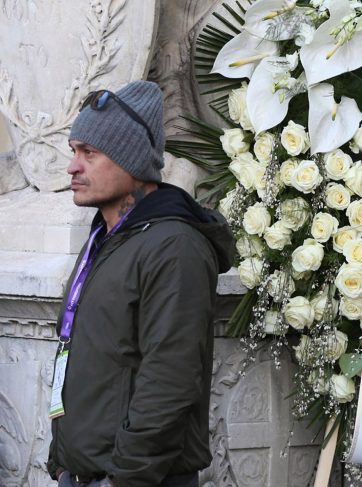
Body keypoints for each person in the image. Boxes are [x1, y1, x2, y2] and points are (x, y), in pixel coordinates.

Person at [46, 81, 235, 487]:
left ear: (130, 160)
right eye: (74, 151)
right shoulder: (107, 239)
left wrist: (124, 479)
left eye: (89, 153)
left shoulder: (174, 247)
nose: (72, 167)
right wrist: (62, 461)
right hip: (82, 474)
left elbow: (170, 379)